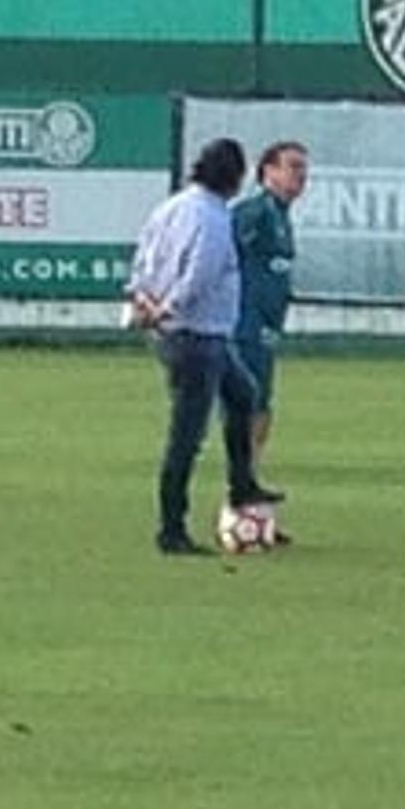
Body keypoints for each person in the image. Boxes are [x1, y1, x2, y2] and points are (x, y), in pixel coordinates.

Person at [127, 138, 282, 555]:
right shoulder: (213, 218)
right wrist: (168, 308)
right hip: (196, 332)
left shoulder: (172, 207)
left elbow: (143, 254)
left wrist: (140, 296)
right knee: (187, 435)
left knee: (243, 393)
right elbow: (201, 273)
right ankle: (171, 528)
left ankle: (242, 483)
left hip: (189, 331)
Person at [232, 140, 309, 525]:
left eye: (303, 169)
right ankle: (241, 488)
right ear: (268, 172)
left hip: (265, 326)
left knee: (262, 408)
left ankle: (250, 482)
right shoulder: (254, 212)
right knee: (249, 406)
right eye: (292, 167)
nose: (300, 176)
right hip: (245, 325)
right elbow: (224, 251)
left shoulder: (281, 215)